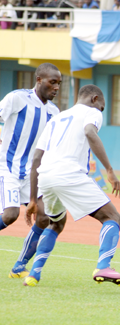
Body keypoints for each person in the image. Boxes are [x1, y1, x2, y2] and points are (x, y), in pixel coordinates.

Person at [23, 84, 120, 287]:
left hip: (46, 176)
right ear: (94, 99)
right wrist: (109, 170)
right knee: (113, 217)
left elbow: (37, 158)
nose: (101, 111)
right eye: (102, 106)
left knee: (55, 223)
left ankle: (33, 275)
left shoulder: (56, 118)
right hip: (70, 174)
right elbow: (90, 133)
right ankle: (103, 266)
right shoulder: (92, 112)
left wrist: (32, 199)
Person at [0, 63, 61, 278]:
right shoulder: (17, 98)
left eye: (59, 84)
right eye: (52, 82)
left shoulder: (54, 112)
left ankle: (19, 265)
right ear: (39, 80)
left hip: (32, 174)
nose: (56, 88)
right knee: (10, 215)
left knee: (44, 217)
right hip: (7, 167)